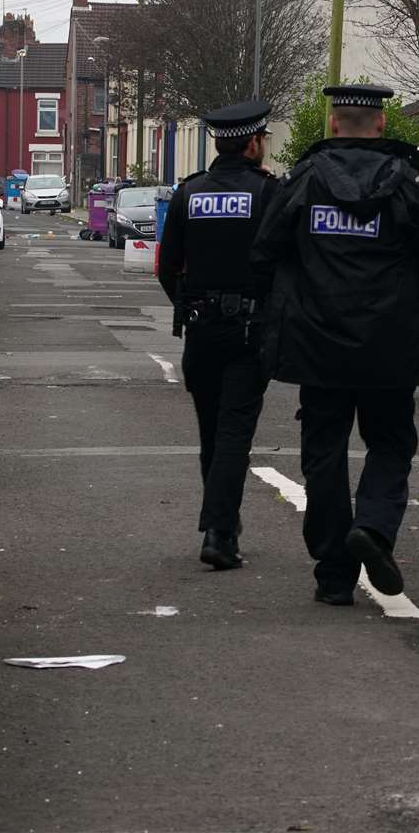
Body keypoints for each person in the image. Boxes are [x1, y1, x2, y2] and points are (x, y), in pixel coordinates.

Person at [252, 83, 419, 605]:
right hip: (390, 347)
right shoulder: (410, 190)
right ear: (380, 126)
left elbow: (263, 254)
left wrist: (269, 323)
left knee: (323, 452)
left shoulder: (302, 183)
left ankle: (333, 573)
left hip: (317, 345)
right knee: (391, 444)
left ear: (332, 125)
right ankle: (372, 525)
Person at [157, 99, 280, 571]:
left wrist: (188, 306)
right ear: (253, 144)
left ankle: (220, 522)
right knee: (234, 433)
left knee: (212, 432)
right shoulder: (269, 193)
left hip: (201, 331)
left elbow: (168, 266)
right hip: (250, 332)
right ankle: (220, 531)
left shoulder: (191, 193)